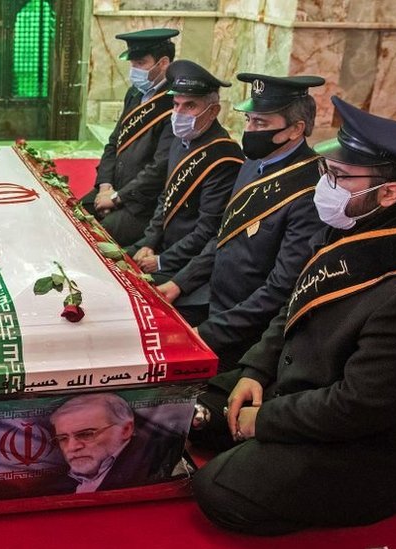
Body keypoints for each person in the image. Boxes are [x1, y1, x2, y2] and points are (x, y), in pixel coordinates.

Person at [189, 97, 396, 535]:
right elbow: (294, 306)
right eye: (327, 171)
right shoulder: (355, 225)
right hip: (301, 386)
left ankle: (385, 492)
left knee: (219, 491)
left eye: (339, 177)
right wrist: (254, 371)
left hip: (362, 438)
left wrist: (264, 420)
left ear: (389, 192)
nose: (326, 186)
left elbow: (360, 407)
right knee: (191, 409)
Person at [156, 73, 326, 370]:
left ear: (296, 129)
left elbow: (280, 289)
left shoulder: (309, 190)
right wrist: (179, 283)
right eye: (248, 120)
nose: (249, 130)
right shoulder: (252, 164)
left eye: (261, 123)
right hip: (213, 301)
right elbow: (222, 237)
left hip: (247, 332)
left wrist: (207, 334)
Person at [127, 59, 245, 279]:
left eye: (190, 106)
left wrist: (162, 261)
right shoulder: (183, 139)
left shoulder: (222, 157)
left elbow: (207, 230)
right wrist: (150, 242)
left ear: (213, 111)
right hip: (161, 246)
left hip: (187, 264)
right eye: (176, 104)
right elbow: (167, 196)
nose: (179, 113)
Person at [79, 28, 177, 246]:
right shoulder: (134, 94)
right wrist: (105, 186)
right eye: (132, 64)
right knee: (71, 216)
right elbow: (114, 143)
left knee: (95, 241)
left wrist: (116, 198)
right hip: (112, 189)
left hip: (140, 203)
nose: (134, 70)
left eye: (140, 63)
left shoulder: (174, 105)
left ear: (163, 63)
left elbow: (159, 167)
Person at [47, 393, 178, 494]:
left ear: (126, 430)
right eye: (63, 438)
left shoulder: (154, 467)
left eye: (86, 434)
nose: (72, 447)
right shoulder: (58, 483)